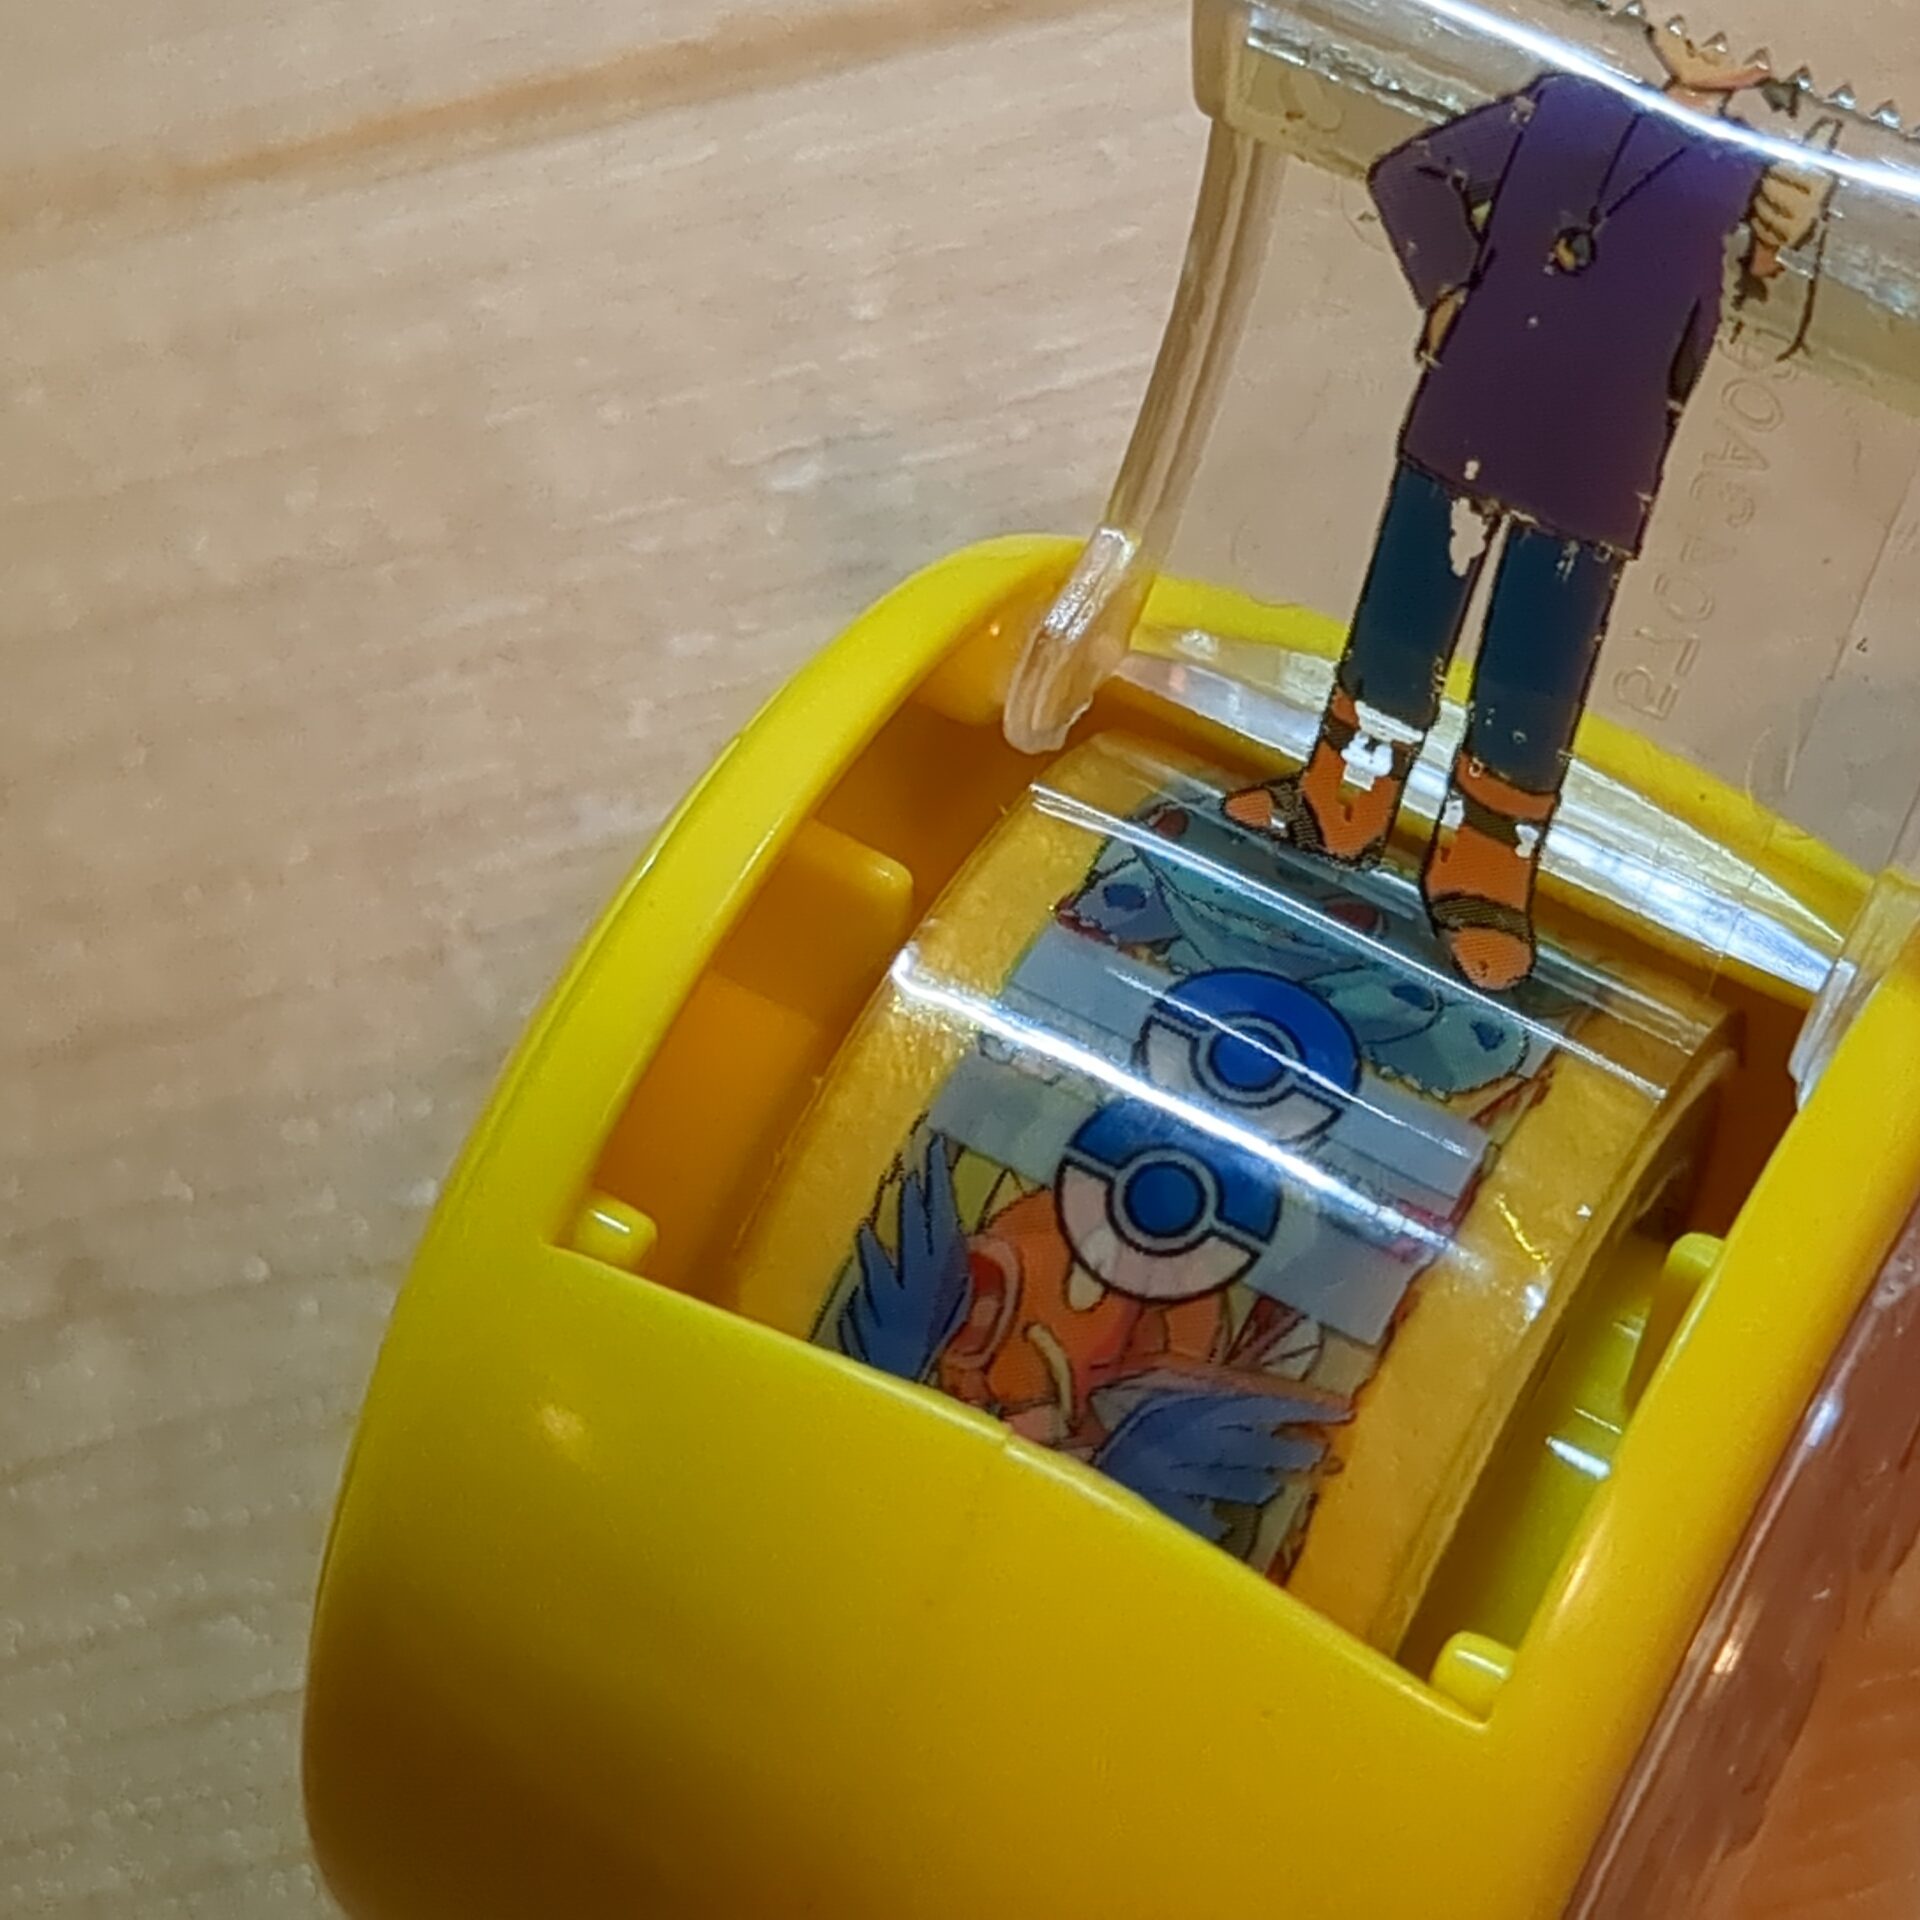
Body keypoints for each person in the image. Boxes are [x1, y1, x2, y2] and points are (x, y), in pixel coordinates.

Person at [1225, 27, 1827, 990]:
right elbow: (1412, 173)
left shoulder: (1757, 178)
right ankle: (1340, 798)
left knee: (1536, 667)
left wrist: (1782, 249)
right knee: (1404, 614)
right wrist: (1449, 293)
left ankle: (1486, 874)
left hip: (1601, 458)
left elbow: (1781, 331)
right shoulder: (1566, 103)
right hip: (1474, 404)